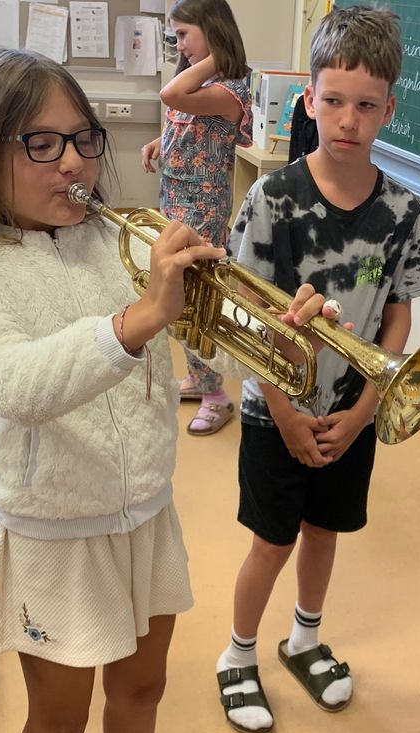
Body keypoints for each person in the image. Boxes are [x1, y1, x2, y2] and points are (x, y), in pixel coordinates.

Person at [0, 48, 336, 733]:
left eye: (82, 138)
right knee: (58, 720)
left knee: (143, 687)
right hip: (55, 530)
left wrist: (281, 324)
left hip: (146, 507)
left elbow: (199, 325)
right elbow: (10, 384)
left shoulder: (112, 241)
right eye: (41, 144)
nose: (73, 161)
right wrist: (139, 318)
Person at [213, 6, 420, 733]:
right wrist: (282, 412)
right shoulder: (271, 199)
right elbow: (242, 316)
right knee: (272, 539)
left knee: (323, 528)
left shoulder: (404, 210)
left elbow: (398, 315)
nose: (348, 119)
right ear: (308, 99)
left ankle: (304, 638)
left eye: (367, 105)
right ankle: (236, 654)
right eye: (333, 100)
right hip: (273, 410)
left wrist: (368, 406)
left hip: (353, 407)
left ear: (388, 111)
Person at [141, 0, 251, 436]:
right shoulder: (203, 82)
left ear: (213, 30)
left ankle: (216, 396)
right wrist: (160, 142)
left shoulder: (232, 87)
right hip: (177, 197)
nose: (178, 43)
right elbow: (185, 119)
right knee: (180, 293)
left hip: (203, 208)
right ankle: (200, 378)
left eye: (185, 33)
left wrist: (216, 58)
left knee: (196, 297)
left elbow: (172, 96)